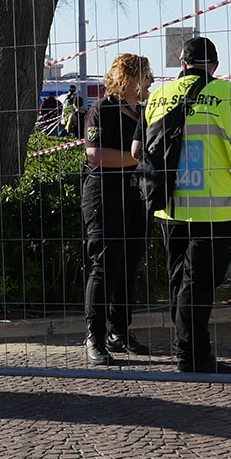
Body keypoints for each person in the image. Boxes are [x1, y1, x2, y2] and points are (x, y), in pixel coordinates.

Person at [132, 37, 231, 373]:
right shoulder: (229, 94)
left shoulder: (159, 96)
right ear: (215, 66)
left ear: (182, 64)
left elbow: (137, 151)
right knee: (200, 284)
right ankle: (191, 357)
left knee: (181, 281)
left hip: (169, 206)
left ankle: (191, 350)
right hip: (214, 208)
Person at [82, 53, 154, 365]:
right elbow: (96, 154)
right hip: (104, 197)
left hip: (136, 197)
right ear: (128, 78)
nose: (151, 81)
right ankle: (94, 337)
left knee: (129, 265)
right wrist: (139, 158)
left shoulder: (146, 112)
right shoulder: (103, 110)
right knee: (105, 265)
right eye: (146, 75)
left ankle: (120, 331)